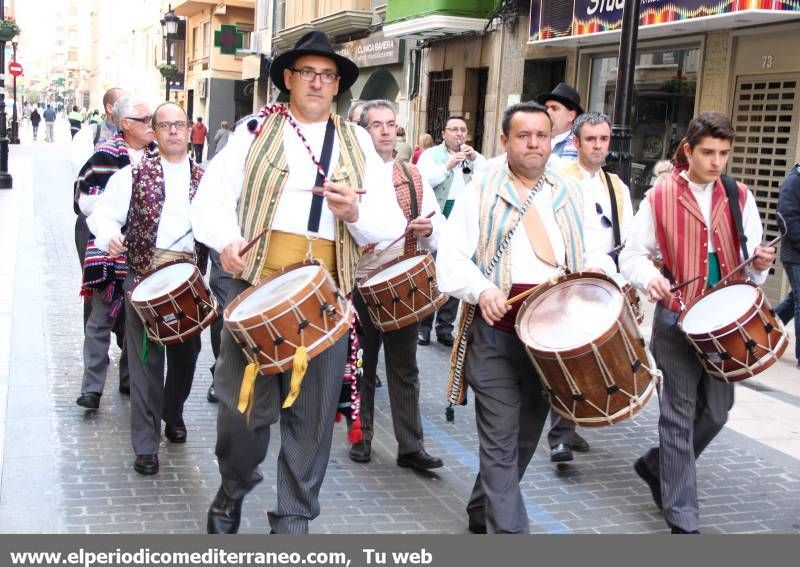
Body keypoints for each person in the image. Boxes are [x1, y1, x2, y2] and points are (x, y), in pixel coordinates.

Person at [191, 30, 406, 534]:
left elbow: (390, 224)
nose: (316, 82)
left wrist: (354, 211)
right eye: (307, 72)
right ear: (288, 79)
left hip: (326, 302)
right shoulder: (252, 130)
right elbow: (209, 202)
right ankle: (233, 488)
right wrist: (225, 241)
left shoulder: (356, 142)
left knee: (310, 423)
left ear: (337, 87)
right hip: (258, 290)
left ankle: (293, 517)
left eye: (326, 75)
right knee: (241, 414)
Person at [437, 101, 614, 534]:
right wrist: (483, 290)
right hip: (495, 335)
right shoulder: (482, 187)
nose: (534, 144)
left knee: (524, 437)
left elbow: (594, 254)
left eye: (541, 135)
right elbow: (451, 257)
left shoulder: (569, 191)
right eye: (523, 136)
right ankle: (512, 535)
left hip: (551, 342)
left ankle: (483, 506)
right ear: (505, 141)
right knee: (499, 441)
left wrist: (604, 280)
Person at [621, 111, 775, 534]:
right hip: (676, 317)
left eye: (724, 153)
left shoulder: (738, 195)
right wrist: (650, 279)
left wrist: (761, 263)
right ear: (688, 149)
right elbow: (632, 255)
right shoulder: (660, 195)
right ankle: (682, 513)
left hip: (725, 321)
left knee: (718, 412)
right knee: (677, 412)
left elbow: (754, 261)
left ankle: (659, 464)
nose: (716, 162)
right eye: (708, 152)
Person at [87, 102, 206, 475]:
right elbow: (103, 214)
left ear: (189, 131)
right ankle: (145, 444)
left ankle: (173, 411)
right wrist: (109, 236)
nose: (173, 131)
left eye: (179, 125)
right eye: (165, 125)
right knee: (145, 364)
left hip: (187, 279)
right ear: (154, 131)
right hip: (143, 275)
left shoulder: (205, 178)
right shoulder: (133, 174)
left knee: (186, 359)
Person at [347, 99, 445, 469]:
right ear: (364, 130)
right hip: (362, 282)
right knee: (361, 365)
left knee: (405, 368)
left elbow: (437, 228)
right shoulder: (351, 174)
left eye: (391, 124)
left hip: (403, 282)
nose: (386, 131)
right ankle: (360, 435)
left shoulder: (413, 174)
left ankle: (410, 447)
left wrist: (429, 227)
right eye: (377, 125)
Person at [546, 112, 635, 463]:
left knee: (590, 357)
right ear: (576, 142)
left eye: (604, 139)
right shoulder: (556, 179)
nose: (598, 146)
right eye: (591, 139)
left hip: (602, 280)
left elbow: (625, 239)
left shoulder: (616, 186)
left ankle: (574, 422)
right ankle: (561, 435)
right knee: (565, 356)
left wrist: (613, 271)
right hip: (567, 278)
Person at [74, 96, 156, 409]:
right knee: (100, 321)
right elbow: (87, 201)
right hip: (108, 253)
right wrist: (115, 225)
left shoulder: (158, 157)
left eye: (152, 120)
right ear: (125, 124)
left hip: (145, 255)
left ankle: (129, 380)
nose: (151, 126)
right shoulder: (105, 154)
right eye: (145, 120)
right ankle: (92, 388)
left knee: (136, 323)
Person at [417, 116, 487, 347]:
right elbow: (421, 180)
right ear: (444, 133)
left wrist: (474, 158)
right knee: (431, 278)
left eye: (463, 130)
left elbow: (487, 177)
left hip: (463, 223)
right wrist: (447, 166)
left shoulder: (473, 156)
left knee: (457, 273)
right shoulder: (431, 156)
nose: (459, 134)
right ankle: (423, 328)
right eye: (454, 129)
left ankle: (445, 327)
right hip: (438, 222)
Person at [773, 164, 800, 365]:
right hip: (795, 255)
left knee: (794, 300)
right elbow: (786, 218)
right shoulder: (793, 182)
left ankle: (767, 328)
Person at [537, 82, 583, 161]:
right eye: (546, 108)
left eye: (554, 108)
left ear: (571, 116)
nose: (548, 112)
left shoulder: (579, 147)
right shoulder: (534, 139)